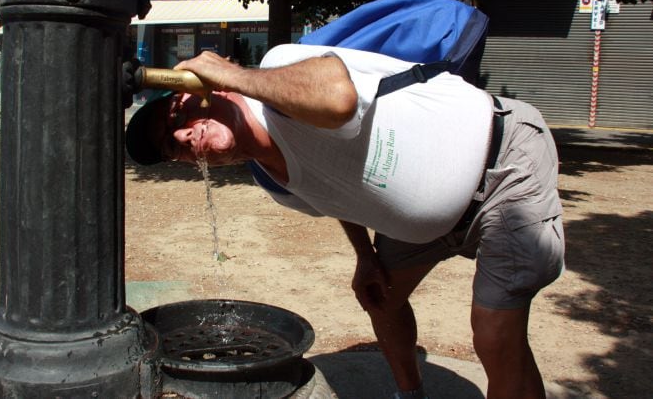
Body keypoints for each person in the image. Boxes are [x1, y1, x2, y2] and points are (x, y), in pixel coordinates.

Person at [125, 44, 564, 399]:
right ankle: (410, 395)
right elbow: (335, 195)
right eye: (172, 147)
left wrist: (231, 73)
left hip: (503, 163)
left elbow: (338, 99)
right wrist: (366, 255)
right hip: (435, 226)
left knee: (495, 330)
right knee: (380, 297)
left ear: (209, 90)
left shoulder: (282, 70)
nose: (184, 137)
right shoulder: (272, 181)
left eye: (180, 115)